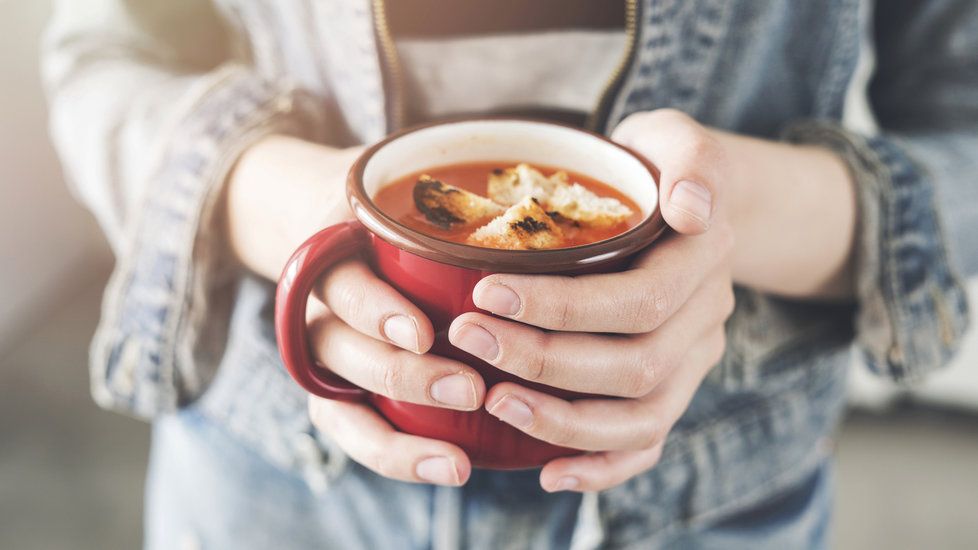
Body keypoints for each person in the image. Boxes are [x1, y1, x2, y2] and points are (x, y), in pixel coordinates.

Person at [43, 1, 977, 548]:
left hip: (716, 496)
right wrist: (290, 206)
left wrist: (731, 207)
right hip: (272, 484)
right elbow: (104, 56)